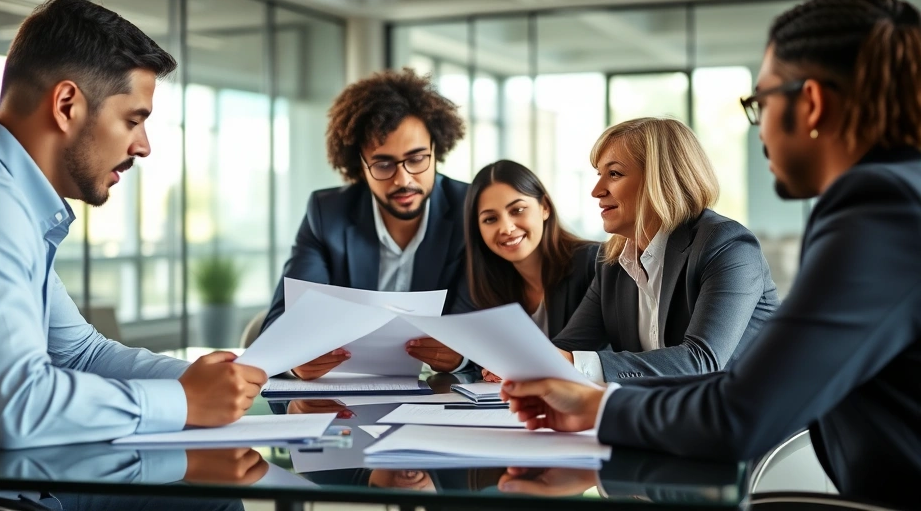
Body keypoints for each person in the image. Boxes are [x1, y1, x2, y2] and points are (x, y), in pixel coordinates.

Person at [501, 0, 921, 507]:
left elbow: (740, 408)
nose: (759, 128)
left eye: (758, 103)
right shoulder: (898, 196)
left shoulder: (881, 208)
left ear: (810, 103)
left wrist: (598, 406)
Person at [0, 0, 266, 470]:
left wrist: (225, 382)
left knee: (202, 489)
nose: (144, 146)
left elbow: (80, 353)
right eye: (133, 120)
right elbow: (20, 407)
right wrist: (185, 402)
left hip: (13, 478)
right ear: (67, 104)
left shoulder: (3, 195)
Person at [261, 68, 473, 379]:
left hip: (441, 397)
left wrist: (462, 358)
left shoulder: (470, 211)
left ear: (437, 150)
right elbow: (282, 324)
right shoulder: (327, 213)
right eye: (384, 164)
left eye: (416, 159)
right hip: (346, 399)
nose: (404, 179)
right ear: (359, 165)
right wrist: (294, 359)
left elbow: (486, 324)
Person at [551, 117, 778, 383]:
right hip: (665, 413)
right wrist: (516, 361)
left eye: (614, 174)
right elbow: (567, 347)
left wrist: (565, 361)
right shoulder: (612, 261)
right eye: (599, 174)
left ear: (661, 179)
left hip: (751, 416)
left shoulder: (727, 245)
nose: (596, 190)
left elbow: (701, 361)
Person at [461, 160, 599, 381]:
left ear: (544, 207)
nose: (506, 228)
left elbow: (604, 356)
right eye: (490, 219)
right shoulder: (489, 283)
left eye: (517, 210)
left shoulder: (593, 263)